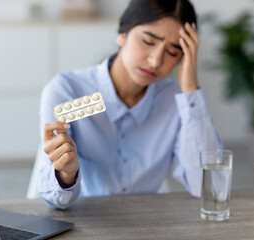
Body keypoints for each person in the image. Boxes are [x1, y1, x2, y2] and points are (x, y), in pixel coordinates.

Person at [38, 0, 222, 209]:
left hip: (144, 223)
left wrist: (190, 89)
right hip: (81, 221)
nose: (155, 61)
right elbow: (54, 199)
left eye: (172, 52)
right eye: (148, 41)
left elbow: (209, 187)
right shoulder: (67, 91)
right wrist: (66, 173)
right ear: (122, 35)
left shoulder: (178, 101)